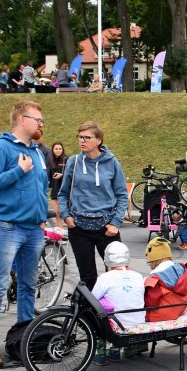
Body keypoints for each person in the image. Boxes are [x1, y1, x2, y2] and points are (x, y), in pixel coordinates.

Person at [0, 100, 50, 369]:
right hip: (6, 227)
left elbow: (42, 188)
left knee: (29, 285)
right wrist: (19, 170)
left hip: (33, 229)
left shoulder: (38, 151)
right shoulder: (1, 147)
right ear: (22, 119)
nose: (41, 123)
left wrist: (43, 217)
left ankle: (23, 340)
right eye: (37, 119)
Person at [58, 122, 129, 289]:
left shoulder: (112, 163)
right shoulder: (73, 162)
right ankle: (90, 314)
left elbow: (122, 194)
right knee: (87, 277)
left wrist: (116, 223)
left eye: (87, 137)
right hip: (79, 228)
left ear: (98, 140)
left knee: (116, 275)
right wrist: (66, 216)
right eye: (80, 137)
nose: (82, 141)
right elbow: (63, 193)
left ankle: (112, 314)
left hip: (107, 229)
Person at [91, 241, 145, 365]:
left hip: (117, 326)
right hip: (138, 321)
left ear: (107, 260)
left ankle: (100, 355)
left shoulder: (105, 277)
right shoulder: (137, 276)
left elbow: (93, 299)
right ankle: (115, 351)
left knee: (99, 311)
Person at [144, 237, 187, 321]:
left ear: (154, 260)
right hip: (179, 309)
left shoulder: (155, 280)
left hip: (162, 316)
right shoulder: (182, 270)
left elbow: (151, 303)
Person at [48, 142, 67, 229]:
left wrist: (62, 175)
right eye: (56, 149)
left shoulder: (66, 160)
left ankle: (69, 229)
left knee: (66, 212)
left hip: (64, 190)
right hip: (54, 190)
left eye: (60, 149)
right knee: (56, 212)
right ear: (53, 150)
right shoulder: (50, 161)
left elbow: (71, 175)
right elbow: (49, 175)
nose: (58, 150)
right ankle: (60, 230)